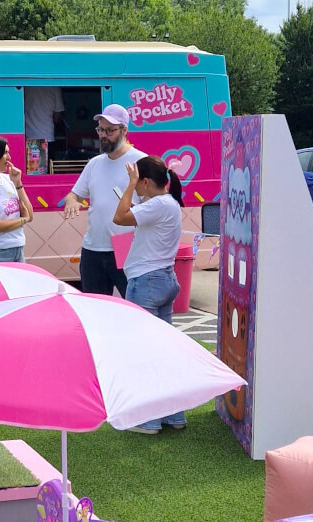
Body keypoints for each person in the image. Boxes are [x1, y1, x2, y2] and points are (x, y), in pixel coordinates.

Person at [113, 156, 185, 434]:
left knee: (143, 351)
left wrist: (129, 186)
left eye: (137, 180)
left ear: (144, 181)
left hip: (146, 282)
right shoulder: (167, 204)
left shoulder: (157, 204)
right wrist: (134, 191)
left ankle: (148, 420)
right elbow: (136, 217)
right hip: (164, 278)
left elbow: (119, 218)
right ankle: (173, 415)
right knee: (163, 350)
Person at [62, 104, 146, 296]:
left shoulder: (141, 161)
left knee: (133, 305)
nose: (103, 135)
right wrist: (72, 201)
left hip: (127, 244)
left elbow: (153, 204)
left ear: (124, 130)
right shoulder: (94, 164)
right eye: (100, 129)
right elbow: (74, 194)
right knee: (96, 307)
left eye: (110, 130)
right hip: (93, 247)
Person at [23, 87, 64, 175]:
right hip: (48, 136)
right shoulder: (55, 88)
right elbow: (57, 118)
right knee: (47, 175)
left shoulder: (27, 86)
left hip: (30, 137)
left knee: (35, 174)